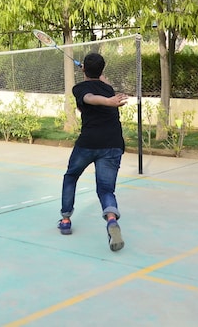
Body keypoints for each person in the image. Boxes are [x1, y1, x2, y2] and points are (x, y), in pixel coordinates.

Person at [57, 52, 129, 252]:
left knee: (71, 176)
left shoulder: (80, 88)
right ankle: (112, 220)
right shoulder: (108, 89)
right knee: (106, 190)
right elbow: (96, 93)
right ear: (102, 70)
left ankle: (65, 220)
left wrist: (108, 101)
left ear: (85, 70)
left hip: (89, 144)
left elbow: (89, 98)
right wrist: (109, 99)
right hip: (113, 144)